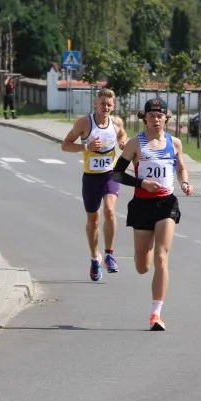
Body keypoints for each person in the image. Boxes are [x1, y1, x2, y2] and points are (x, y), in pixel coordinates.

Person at [111, 97, 193, 331]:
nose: (156, 120)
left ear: (166, 118)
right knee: (142, 266)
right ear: (144, 118)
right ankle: (142, 254)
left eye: (160, 116)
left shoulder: (174, 143)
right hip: (142, 205)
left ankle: (156, 314)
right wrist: (141, 182)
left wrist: (185, 183)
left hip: (167, 204)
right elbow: (116, 174)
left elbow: (181, 167)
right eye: (151, 116)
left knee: (161, 258)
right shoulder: (136, 144)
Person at [60, 88, 128, 281]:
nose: (105, 107)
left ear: (113, 106)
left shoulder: (116, 123)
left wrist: (122, 143)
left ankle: (109, 255)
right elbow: (65, 145)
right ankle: (94, 258)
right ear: (95, 104)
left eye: (109, 104)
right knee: (93, 221)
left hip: (110, 175)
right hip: (91, 177)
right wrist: (85, 147)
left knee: (109, 210)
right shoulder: (84, 122)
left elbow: (123, 135)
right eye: (102, 103)